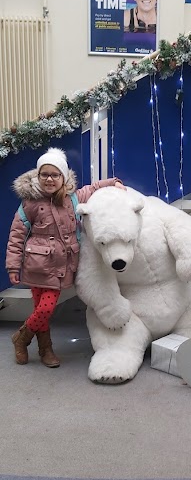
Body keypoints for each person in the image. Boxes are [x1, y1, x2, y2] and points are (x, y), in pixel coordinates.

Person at [6, 147, 124, 368]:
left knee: (45, 308)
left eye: (55, 175)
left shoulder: (72, 199)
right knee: (41, 310)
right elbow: (16, 235)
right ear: (38, 176)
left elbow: (92, 188)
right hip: (35, 265)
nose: (49, 179)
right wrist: (13, 267)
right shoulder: (30, 203)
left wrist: (112, 182)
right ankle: (45, 348)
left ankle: (21, 338)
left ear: (63, 177)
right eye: (45, 175)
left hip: (59, 265)